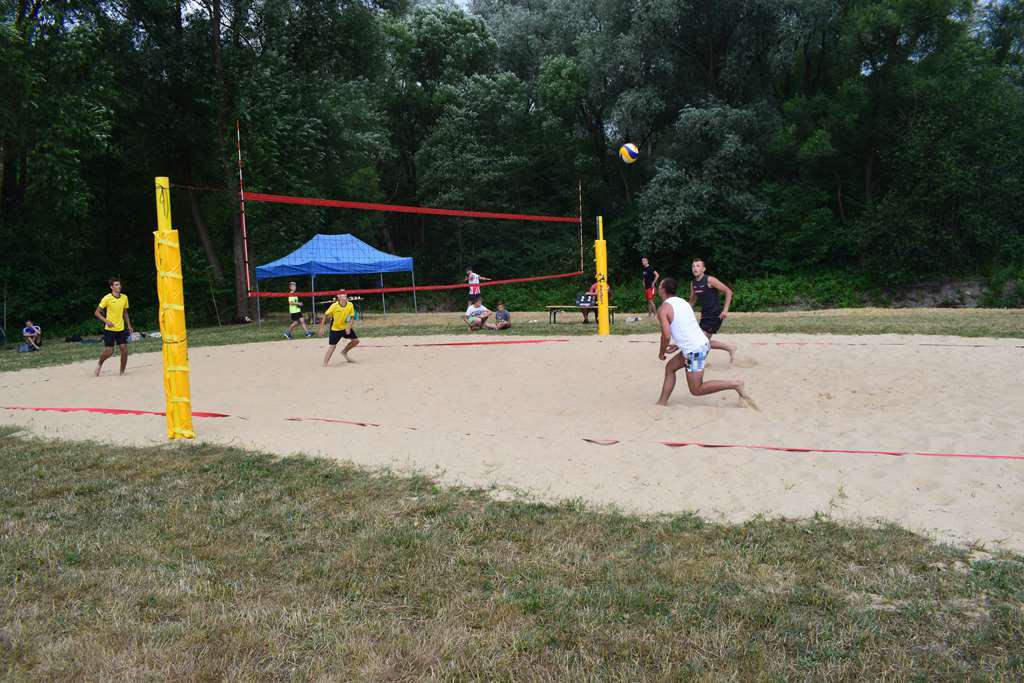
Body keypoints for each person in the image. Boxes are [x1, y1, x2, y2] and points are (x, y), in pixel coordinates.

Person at [656, 277, 756, 408]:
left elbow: (666, 335)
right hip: (700, 344)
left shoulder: (663, 309)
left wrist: (661, 353)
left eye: (659, 285)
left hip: (694, 351)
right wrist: (678, 345)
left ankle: (736, 384)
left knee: (696, 389)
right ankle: (662, 402)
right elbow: (686, 328)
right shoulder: (683, 302)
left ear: (663, 289)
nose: (658, 287)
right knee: (670, 368)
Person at [690, 257, 737, 363]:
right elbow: (692, 301)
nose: (695, 268)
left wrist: (725, 310)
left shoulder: (710, 280)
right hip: (704, 315)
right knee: (702, 341)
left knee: (701, 341)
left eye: (698, 266)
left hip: (715, 314)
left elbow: (728, 291)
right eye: (693, 266)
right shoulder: (693, 284)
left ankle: (698, 363)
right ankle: (730, 348)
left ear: (703, 269)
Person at [94, 277, 133, 376]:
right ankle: (100, 363)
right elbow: (97, 312)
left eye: (119, 284)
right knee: (109, 351)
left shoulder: (124, 297)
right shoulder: (107, 298)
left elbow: (125, 312)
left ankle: (122, 372)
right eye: (116, 285)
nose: (119, 286)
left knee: (124, 350)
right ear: (111, 287)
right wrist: (106, 321)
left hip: (121, 328)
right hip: (110, 329)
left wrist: (129, 325)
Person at [319, 291, 360, 366]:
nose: (344, 294)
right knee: (333, 346)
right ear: (338, 296)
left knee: (356, 341)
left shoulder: (350, 304)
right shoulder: (334, 306)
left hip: (345, 327)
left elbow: (352, 317)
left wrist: (348, 327)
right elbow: (325, 315)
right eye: (342, 293)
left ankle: (344, 352)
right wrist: (322, 328)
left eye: (345, 293)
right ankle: (325, 364)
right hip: (336, 329)